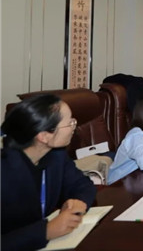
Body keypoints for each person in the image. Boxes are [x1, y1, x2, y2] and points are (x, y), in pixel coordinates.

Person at [1, 94, 96, 251]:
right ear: (44, 136)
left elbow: (83, 185)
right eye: (70, 123)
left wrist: (78, 201)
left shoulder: (55, 155)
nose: (74, 127)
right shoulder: (5, 171)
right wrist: (45, 231)